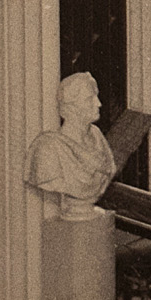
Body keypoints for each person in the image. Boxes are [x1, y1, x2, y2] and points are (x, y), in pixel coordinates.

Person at [25, 72, 118, 218]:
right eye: (89, 99)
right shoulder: (48, 148)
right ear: (70, 108)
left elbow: (110, 168)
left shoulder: (97, 135)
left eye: (96, 96)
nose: (98, 103)